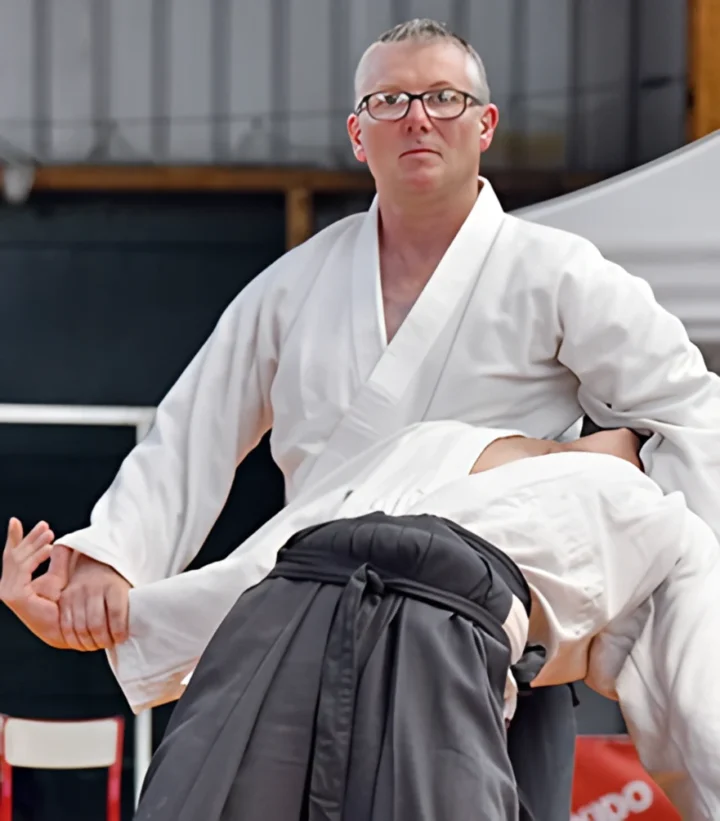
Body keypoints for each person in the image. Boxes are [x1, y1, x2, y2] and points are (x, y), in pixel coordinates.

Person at [15, 17, 720, 819]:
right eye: (390, 101)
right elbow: (188, 436)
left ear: (485, 125)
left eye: (444, 98)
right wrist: (113, 555)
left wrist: (643, 556)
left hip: (486, 647)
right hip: (307, 625)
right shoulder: (293, 287)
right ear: (358, 133)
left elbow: (691, 417)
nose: (418, 118)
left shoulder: (558, 272)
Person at [3, 423, 716, 819]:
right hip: (414, 626)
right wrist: (118, 618)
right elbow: (697, 721)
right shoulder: (670, 522)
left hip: (286, 615)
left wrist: (123, 619)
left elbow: (270, 563)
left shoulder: (445, 438)